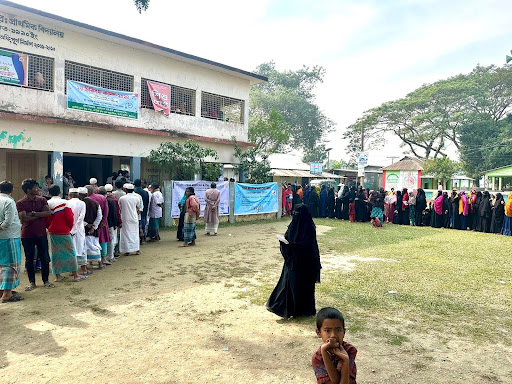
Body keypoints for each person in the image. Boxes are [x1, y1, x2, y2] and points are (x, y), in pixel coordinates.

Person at [266, 204, 321, 318]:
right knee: (291, 285)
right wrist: (284, 242)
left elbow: (308, 246)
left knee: (305, 287)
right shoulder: (293, 225)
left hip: (306, 263)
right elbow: (288, 238)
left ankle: (305, 309)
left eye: (298, 213)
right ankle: (290, 309)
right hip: (293, 262)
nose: (295, 216)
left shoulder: (309, 228)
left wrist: (293, 246)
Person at [16, 178, 53, 291]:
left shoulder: (42, 200)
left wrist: (32, 214)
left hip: (41, 233)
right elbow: (23, 218)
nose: (37, 189)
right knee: (29, 259)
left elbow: (48, 213)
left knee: (45, 257)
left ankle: (46, 280)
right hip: (27, 234)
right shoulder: (20, 202)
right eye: (35, 187)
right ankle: (32, 282)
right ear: (28, 190)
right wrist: (40, 214)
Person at [47, 185, 85, 283]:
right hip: (64, 231)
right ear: (60, 192)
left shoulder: (47, 203)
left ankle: (57, 275)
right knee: (71, 252)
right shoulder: (65, 203)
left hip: (52, 231)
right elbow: (69, 218)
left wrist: (49, 226)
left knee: (55, 253)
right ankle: (75, 275)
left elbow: (46, 219)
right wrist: (69, 228)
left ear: (49, 193)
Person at [312, 307, 357, 384]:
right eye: (327, 330)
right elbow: (335, 382)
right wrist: (324, 353)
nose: (333, 335)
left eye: (338, 330)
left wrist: (346, 361)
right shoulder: (317, 358)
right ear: (318, 333)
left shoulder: (350, 350)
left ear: (344, 332)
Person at [0, 180, 24, 303]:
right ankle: (7, 293)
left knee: (1, 264)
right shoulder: (9, 201)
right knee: (11, 265)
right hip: (9, 237)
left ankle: (2, 290)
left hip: (2, 238)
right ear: (12, 190)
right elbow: (7, 222)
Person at [67, 188, 89, 276]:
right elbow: (81, 217)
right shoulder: (82, 203)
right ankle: (84, 269)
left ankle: (72, 270)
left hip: (69, 229)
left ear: (70, 195)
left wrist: (71, 229)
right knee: (81, 248)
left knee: (71, 249)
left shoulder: (67, 203)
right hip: (78, 229)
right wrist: (75, 229)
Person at [87, 185, 111, 266]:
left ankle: (90, 260)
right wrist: (103, 221)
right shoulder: (102, 197)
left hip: (89, 224)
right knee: (102, 240)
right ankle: (103, 258)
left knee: (90, 241)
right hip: (102, 223)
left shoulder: (86, 199)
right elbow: (106, 211)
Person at [118, 184, 142, 255]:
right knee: (135, 234)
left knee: (126, 234)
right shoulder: (136, 198)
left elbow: (120, 208)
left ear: (125, 190)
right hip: (134, 218)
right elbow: (138, 209)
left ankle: (127, 250)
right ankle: (137, 250)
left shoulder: (122, 198)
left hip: (125, 218)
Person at [83, 187, 103, 268]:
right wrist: (94, 226)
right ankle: (99, 263)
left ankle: (86, 263)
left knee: (85, 246)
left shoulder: (81, 203)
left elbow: (78, 217)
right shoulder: (95, 203)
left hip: (83, 229)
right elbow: (99, 216)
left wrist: (86, 224)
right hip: (93, 229)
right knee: (95, 244)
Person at [102, 185, 121, 262]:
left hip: (101, 223)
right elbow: (115, 213)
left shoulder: (99, 200)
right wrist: (116, 223)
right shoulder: (112, 200)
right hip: (110, 223)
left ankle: (105, 256)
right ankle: (110, 256)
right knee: (111, 240)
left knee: (104, 240)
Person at [134, 179, 149, 244]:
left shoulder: (133, 192)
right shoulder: (145, 192)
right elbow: (147, 203)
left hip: (134, 213)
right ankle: (143, 238)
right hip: (143, 211)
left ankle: (137, 238)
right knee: (143, 225)